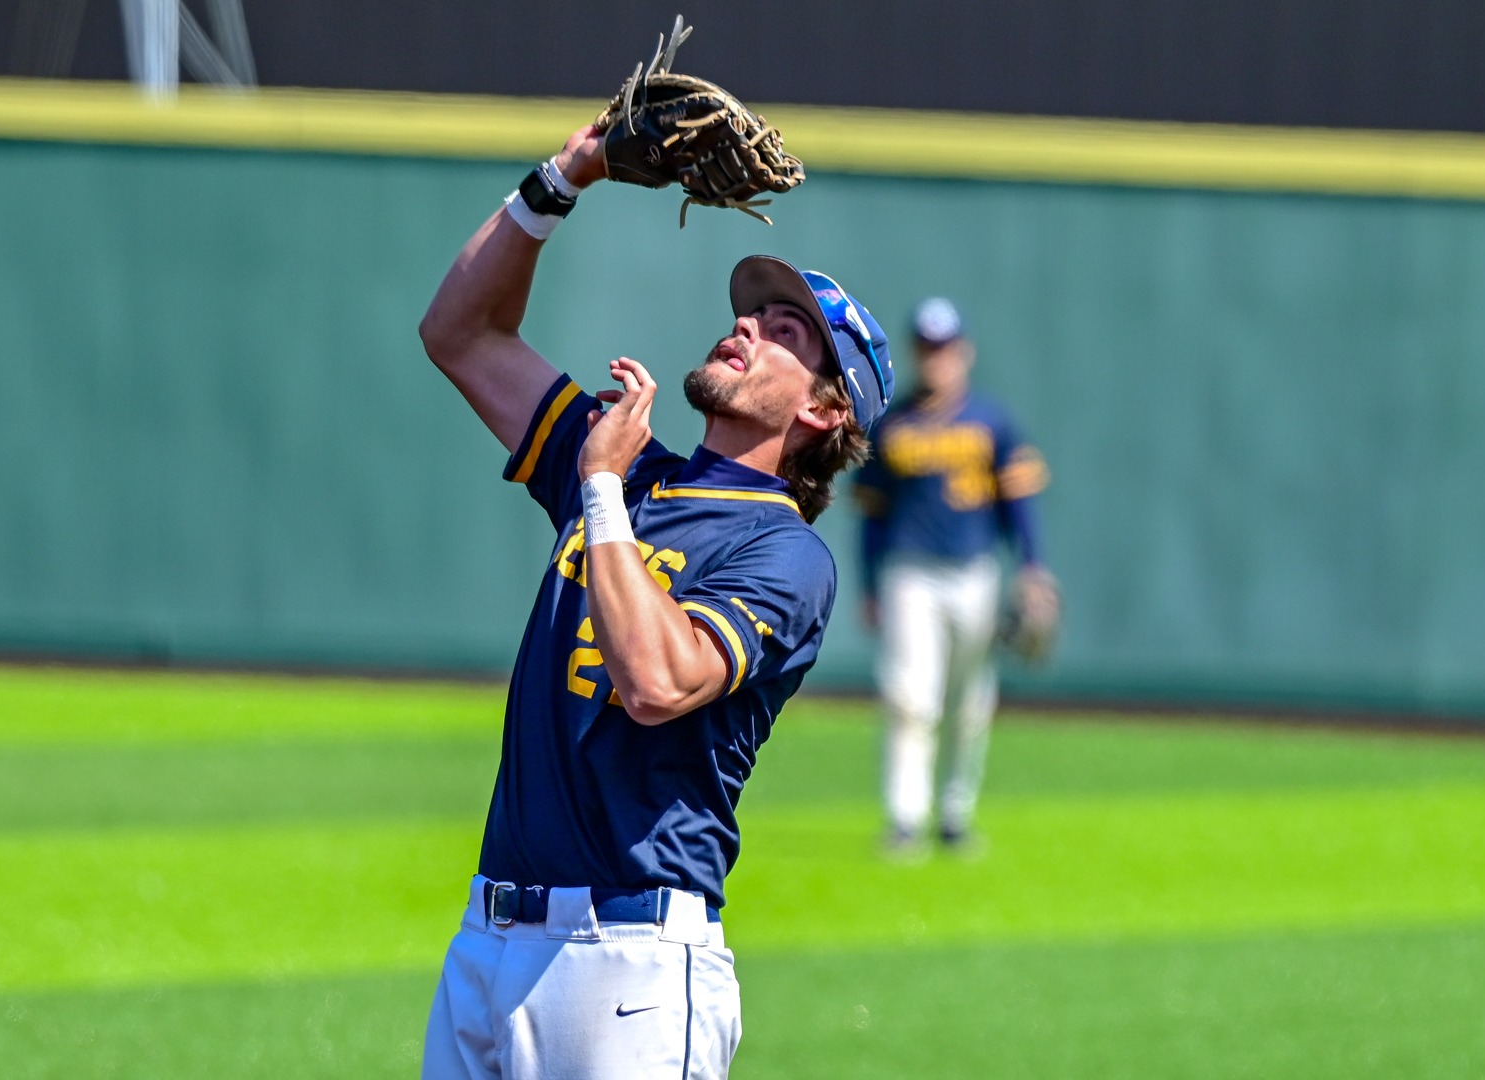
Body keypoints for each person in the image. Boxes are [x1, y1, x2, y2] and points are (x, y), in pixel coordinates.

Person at [414, 122, 894, 1079]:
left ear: (825, 411)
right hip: (490, 936)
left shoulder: (784, 555)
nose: (749, 325)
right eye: (753, 313)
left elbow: (658, 682)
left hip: (628, 961)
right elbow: (460, 334)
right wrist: (566, 177)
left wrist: (597, 492)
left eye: (786, 330)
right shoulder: (636, 469)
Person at [854, 298, 1052, 854]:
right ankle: (905, 818)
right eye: (927, 348)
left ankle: (956, 815)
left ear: (963, 352)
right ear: (917, 352)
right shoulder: (891, 424)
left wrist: (1033, 567)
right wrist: (870, 585)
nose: (936, 359)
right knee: (908, 698)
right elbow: (872, 516)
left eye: (944, 348)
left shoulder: (991, 420)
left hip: (976, 572)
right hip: (909, 573)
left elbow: (1018, 504)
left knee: (970, 703)